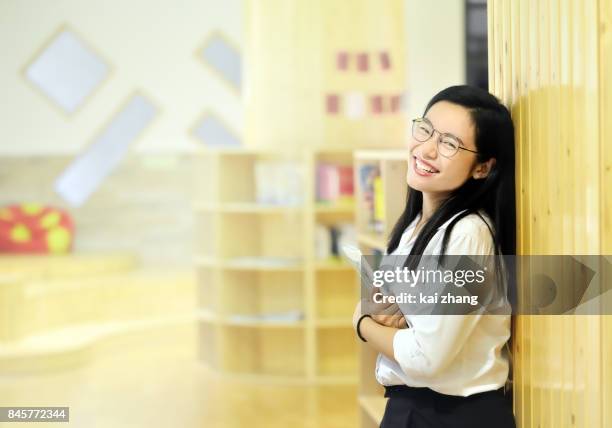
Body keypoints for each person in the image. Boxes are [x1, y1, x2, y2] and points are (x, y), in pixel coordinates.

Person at [352, 85, 517, 427]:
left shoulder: (467, 234)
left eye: (449, 144)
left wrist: (361, 322)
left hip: (454, 415)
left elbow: (426, 357)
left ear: (482, 168)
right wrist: (386, 319)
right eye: (425, 129)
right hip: (413, 408)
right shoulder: (414, 226)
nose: (426, 149)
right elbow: (384, 305)